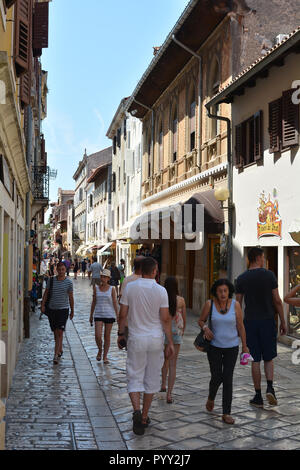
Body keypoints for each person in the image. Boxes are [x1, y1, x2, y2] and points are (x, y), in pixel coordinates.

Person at [118, 257, 175, 436]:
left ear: (141, 270)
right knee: (151, 378)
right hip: (155, 339)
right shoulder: (161, 291)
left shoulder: (130, 287)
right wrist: (170, 342)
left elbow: (123, 314)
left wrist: (120, 333)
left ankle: (136, 410)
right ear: (155, 271)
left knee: (134, 375)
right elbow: (165, 319)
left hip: (136, 338)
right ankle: (144, 417)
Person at [235, 247, 287, 408]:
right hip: (267, 320)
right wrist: (283, 321)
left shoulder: (241, 278)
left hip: (250, 322)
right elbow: (277, 300)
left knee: (255, 359)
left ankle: (258, 396)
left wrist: (238, 324)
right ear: (258, 257)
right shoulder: (269, 275)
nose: (264, 260)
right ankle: (270, 387)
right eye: (263, 257)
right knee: (269, 357)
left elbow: (238, 303)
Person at [198, 279, 249, 424]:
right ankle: (211, 397)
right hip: (213, 347)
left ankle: (226, 412)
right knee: (216, 376)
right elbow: (201, 320)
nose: (222, 293)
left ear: (229, 292)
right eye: (220, 291)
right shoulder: (210, 304)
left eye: (225, 291)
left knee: (227, 378)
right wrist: (205, 328)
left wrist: (245, 346)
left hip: (232, 347)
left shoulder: (235, 305)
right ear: (216, 292)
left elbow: (241, 326)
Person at [41, 261, 74, 365]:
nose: (61, 271)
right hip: (52, 310)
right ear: (56, 270)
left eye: (63, 269)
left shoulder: (69, 283)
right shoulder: (51, 281)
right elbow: (46, 293)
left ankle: (55, 355)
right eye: (59, 269)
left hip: (63, 310)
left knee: (59, 332)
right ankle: (59, 348)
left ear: (65, 270)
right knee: (56, 332)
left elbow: (71, 297)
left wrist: (72, 310)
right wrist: (42, 305)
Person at [161, 276, 186, 404]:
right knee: (173, 364)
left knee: (164, 360)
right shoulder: (181, 300)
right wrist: (182, 332)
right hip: (176, 334)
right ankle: (169, 394)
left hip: (164, 333)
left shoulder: (162, 299)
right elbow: (184, 320)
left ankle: (163, 384)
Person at [89, 269, 119, 364]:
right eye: (102, 276)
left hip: (109, 314)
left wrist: (117, 315)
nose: (103, 278)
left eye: (105, 277)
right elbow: (94, 302)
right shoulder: (96, 288)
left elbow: (115, 302)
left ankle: (105, 356)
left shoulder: (112, 289)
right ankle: (100, 349)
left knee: (107, 336)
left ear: (108, 279)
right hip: (98, 314)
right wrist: (91, 315)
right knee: (97, 335)